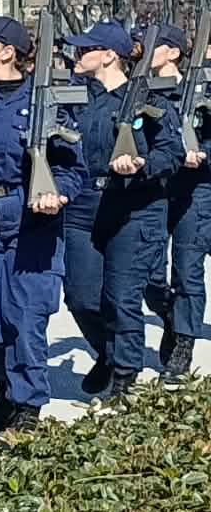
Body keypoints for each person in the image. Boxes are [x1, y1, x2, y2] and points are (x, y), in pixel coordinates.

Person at [0, 16, 81, 434]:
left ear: (7, 51)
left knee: (25, 319)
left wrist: (57, 192)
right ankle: (8, 386)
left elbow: (72, 168)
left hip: (31, 219)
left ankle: (28, 406)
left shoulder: (47, 102)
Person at [62, 21, 184, 399]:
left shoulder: (148, 100)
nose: (77, 56)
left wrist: (143, 165)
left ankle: (125, 376)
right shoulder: (71, 97)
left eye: (86, 51)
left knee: (121, 296)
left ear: (110, 56)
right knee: (81, 296)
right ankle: (108, 353)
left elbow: (172, 152)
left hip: (134, 204)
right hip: (83, 206)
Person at [154, 24, 211, 377]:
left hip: (196, 188)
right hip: (154, 189)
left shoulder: (202, 89)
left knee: (187, 269)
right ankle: (172, 317)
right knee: (147, 275)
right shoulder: (143, 91)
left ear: (173, 52)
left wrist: (200, 153)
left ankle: (184, 343)